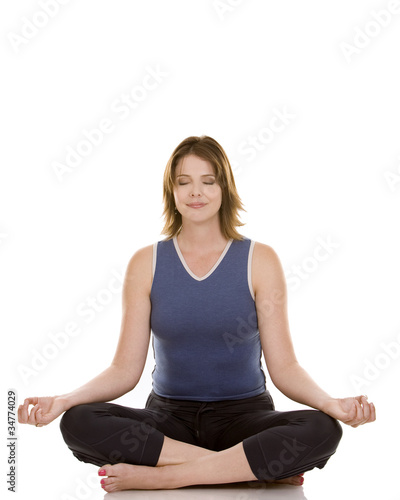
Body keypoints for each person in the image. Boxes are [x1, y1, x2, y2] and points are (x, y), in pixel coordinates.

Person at [18, 135, 376, 492]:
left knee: (322, 429)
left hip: (245, 417)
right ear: (171, 192)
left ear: (225, 188)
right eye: (183, 182)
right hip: (169, 420)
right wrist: (63, 400)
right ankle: (244, 467)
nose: (196, 192)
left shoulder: (260, 260)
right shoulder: (146, 263)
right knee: (79, 421)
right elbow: (124, 371)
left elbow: (285, 368)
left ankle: (168, 476)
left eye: (208, 181)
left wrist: (331, 403)